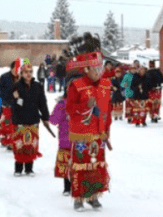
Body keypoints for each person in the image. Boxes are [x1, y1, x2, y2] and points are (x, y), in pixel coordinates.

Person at [64, 33, 112, 211]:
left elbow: (106, 111)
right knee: (81, 165)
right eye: (95, 69)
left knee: (97, 165)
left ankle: (93, 196)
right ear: (86, 69)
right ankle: (78, 198)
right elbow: (69, 109)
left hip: (99, 133)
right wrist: (85, 105)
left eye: (100, 68)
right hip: (81, 133)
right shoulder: (76, 86)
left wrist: (107, 131)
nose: (99, 72)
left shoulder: (106, 85)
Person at [10, 59, 50, 176]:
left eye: (31, 72)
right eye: (26, 72)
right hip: (20, 120)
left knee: (31, 145)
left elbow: (42, 102)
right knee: (20, 145)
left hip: (33, 120)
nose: (29, 74)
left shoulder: (38, 86)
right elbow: (14, 105)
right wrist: (17, 100)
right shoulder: (16, 86)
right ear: (21, 74)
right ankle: (18, 168)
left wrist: (45, 116)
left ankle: (29, 168)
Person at [49, 84, 72, 196]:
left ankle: (75, 187)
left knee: (77, 163)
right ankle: (67, 187)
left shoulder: (82, 104)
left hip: (80, 139)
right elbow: (53, 120)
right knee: (67, 163)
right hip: (66, 139)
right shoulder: (62, 104)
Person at [0, 60, 21, 148]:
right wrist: (10, 94)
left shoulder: (21, 78)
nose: (17, 70)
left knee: (16, 125)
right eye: (15, 68)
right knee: (7, 124)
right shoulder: (4, 77)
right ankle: (6, 140)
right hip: (7, 105)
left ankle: (13, 142)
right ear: (11, 68)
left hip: (18, 106)